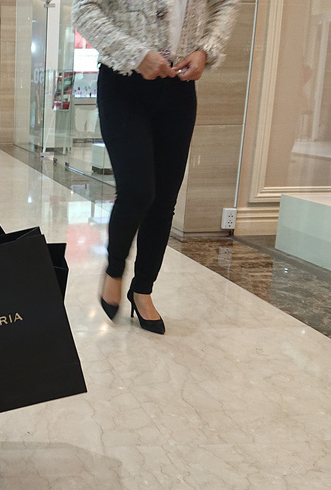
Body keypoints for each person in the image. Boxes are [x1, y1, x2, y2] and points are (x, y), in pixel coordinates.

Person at [74, 0, 239, 334]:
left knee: (164, 200)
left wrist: (206, 49)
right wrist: (134, 53)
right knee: (137, 191)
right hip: (123, 83)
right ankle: (115, 268)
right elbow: (84, 9)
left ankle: (143, 289)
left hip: (179, 88)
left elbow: (227, 4)